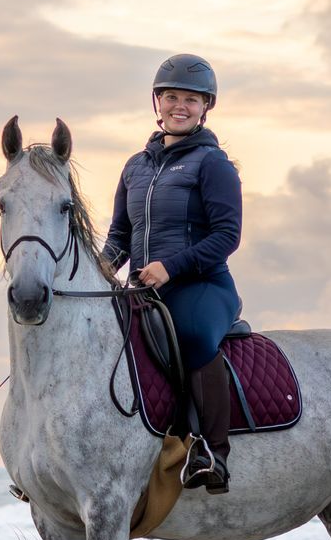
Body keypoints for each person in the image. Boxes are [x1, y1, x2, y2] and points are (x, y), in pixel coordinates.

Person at [101, 53, 244, 493]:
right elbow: (120, 235)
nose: (179, 106)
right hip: (142, 290)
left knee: (196, 336)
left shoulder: (212, 164)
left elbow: (227, 234)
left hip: (202, 286)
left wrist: (171, 267)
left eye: (191, 99)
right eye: (171, 97)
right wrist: (101, 266)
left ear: (206, 107)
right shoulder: (134, 167)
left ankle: (212, 453)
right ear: (157, 102)